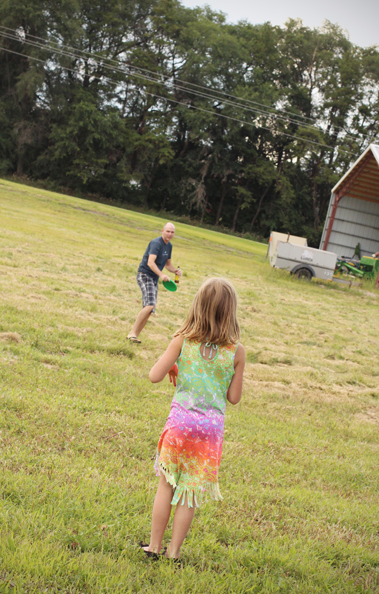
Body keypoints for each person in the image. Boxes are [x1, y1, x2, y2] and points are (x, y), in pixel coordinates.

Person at [140, 277, 246, 561]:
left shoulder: (182, 340)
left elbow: (154, 376)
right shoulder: (236, 352)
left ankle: (153, 548)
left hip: (179, 427)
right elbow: (234, 397)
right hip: (208, 434)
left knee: (166, 485)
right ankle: (174, 554)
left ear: (197, 306)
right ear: (231, 312)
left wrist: (175, 362)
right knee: (188, 494)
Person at [127, 223, 182, 344]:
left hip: (153, 278)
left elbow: (167, 264)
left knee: (149, 309)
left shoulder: (169, 246)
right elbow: (150, 263)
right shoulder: (156, 243)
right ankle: (131, 333)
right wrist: (162, 275)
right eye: (168, 231)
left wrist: (175, 271)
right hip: (144, 275)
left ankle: (134, 335)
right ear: (162, 231)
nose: (170, 234)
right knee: (150, 305)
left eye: (172, 232)